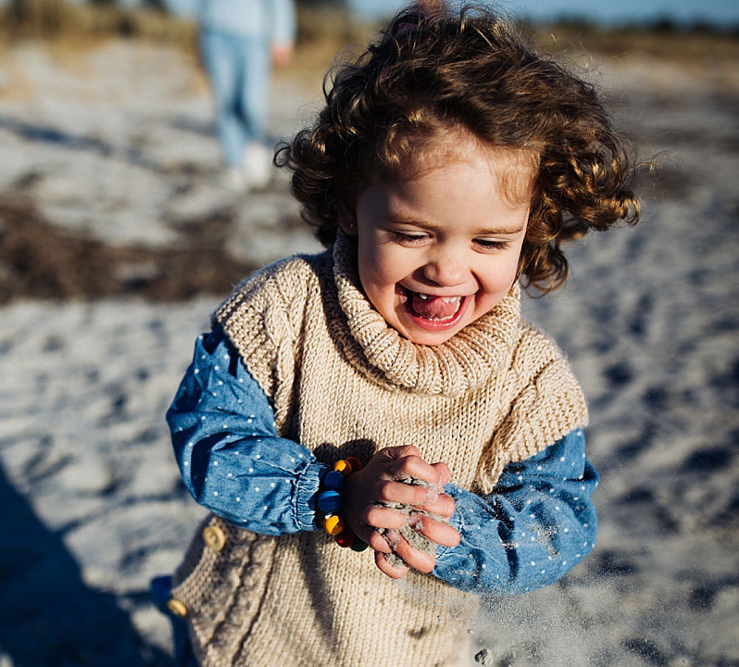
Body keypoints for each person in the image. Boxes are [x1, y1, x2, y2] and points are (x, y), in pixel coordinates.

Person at [155, 2, 641, 665]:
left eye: (490, 240)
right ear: (353, 202)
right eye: (413, 234)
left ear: (533, 224)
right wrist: (336, 492)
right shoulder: (284, 310)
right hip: (256, 640)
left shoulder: (530, 382)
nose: (446, 268)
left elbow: (561, 521)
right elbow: (208, 434)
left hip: (409, 648)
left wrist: (444, 524)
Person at [197, 0, 295, 191]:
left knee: (252, 104)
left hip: (254, 36)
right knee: (225, 103)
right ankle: (234, 164)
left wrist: (283, 35)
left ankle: (254, 147)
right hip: (214, 34)